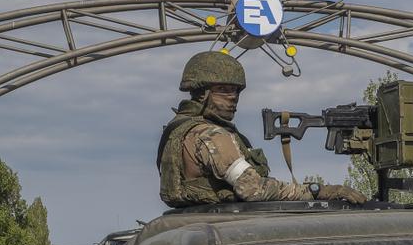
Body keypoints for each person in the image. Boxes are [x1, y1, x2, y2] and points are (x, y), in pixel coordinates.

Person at [156, 51, 367, 207]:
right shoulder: (211, 135)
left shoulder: (180, 130)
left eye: (236, 91)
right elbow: (252, 189)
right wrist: (318, 190)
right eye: (223, 90)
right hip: (222, 227)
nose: (233, 98)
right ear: (201, 93)